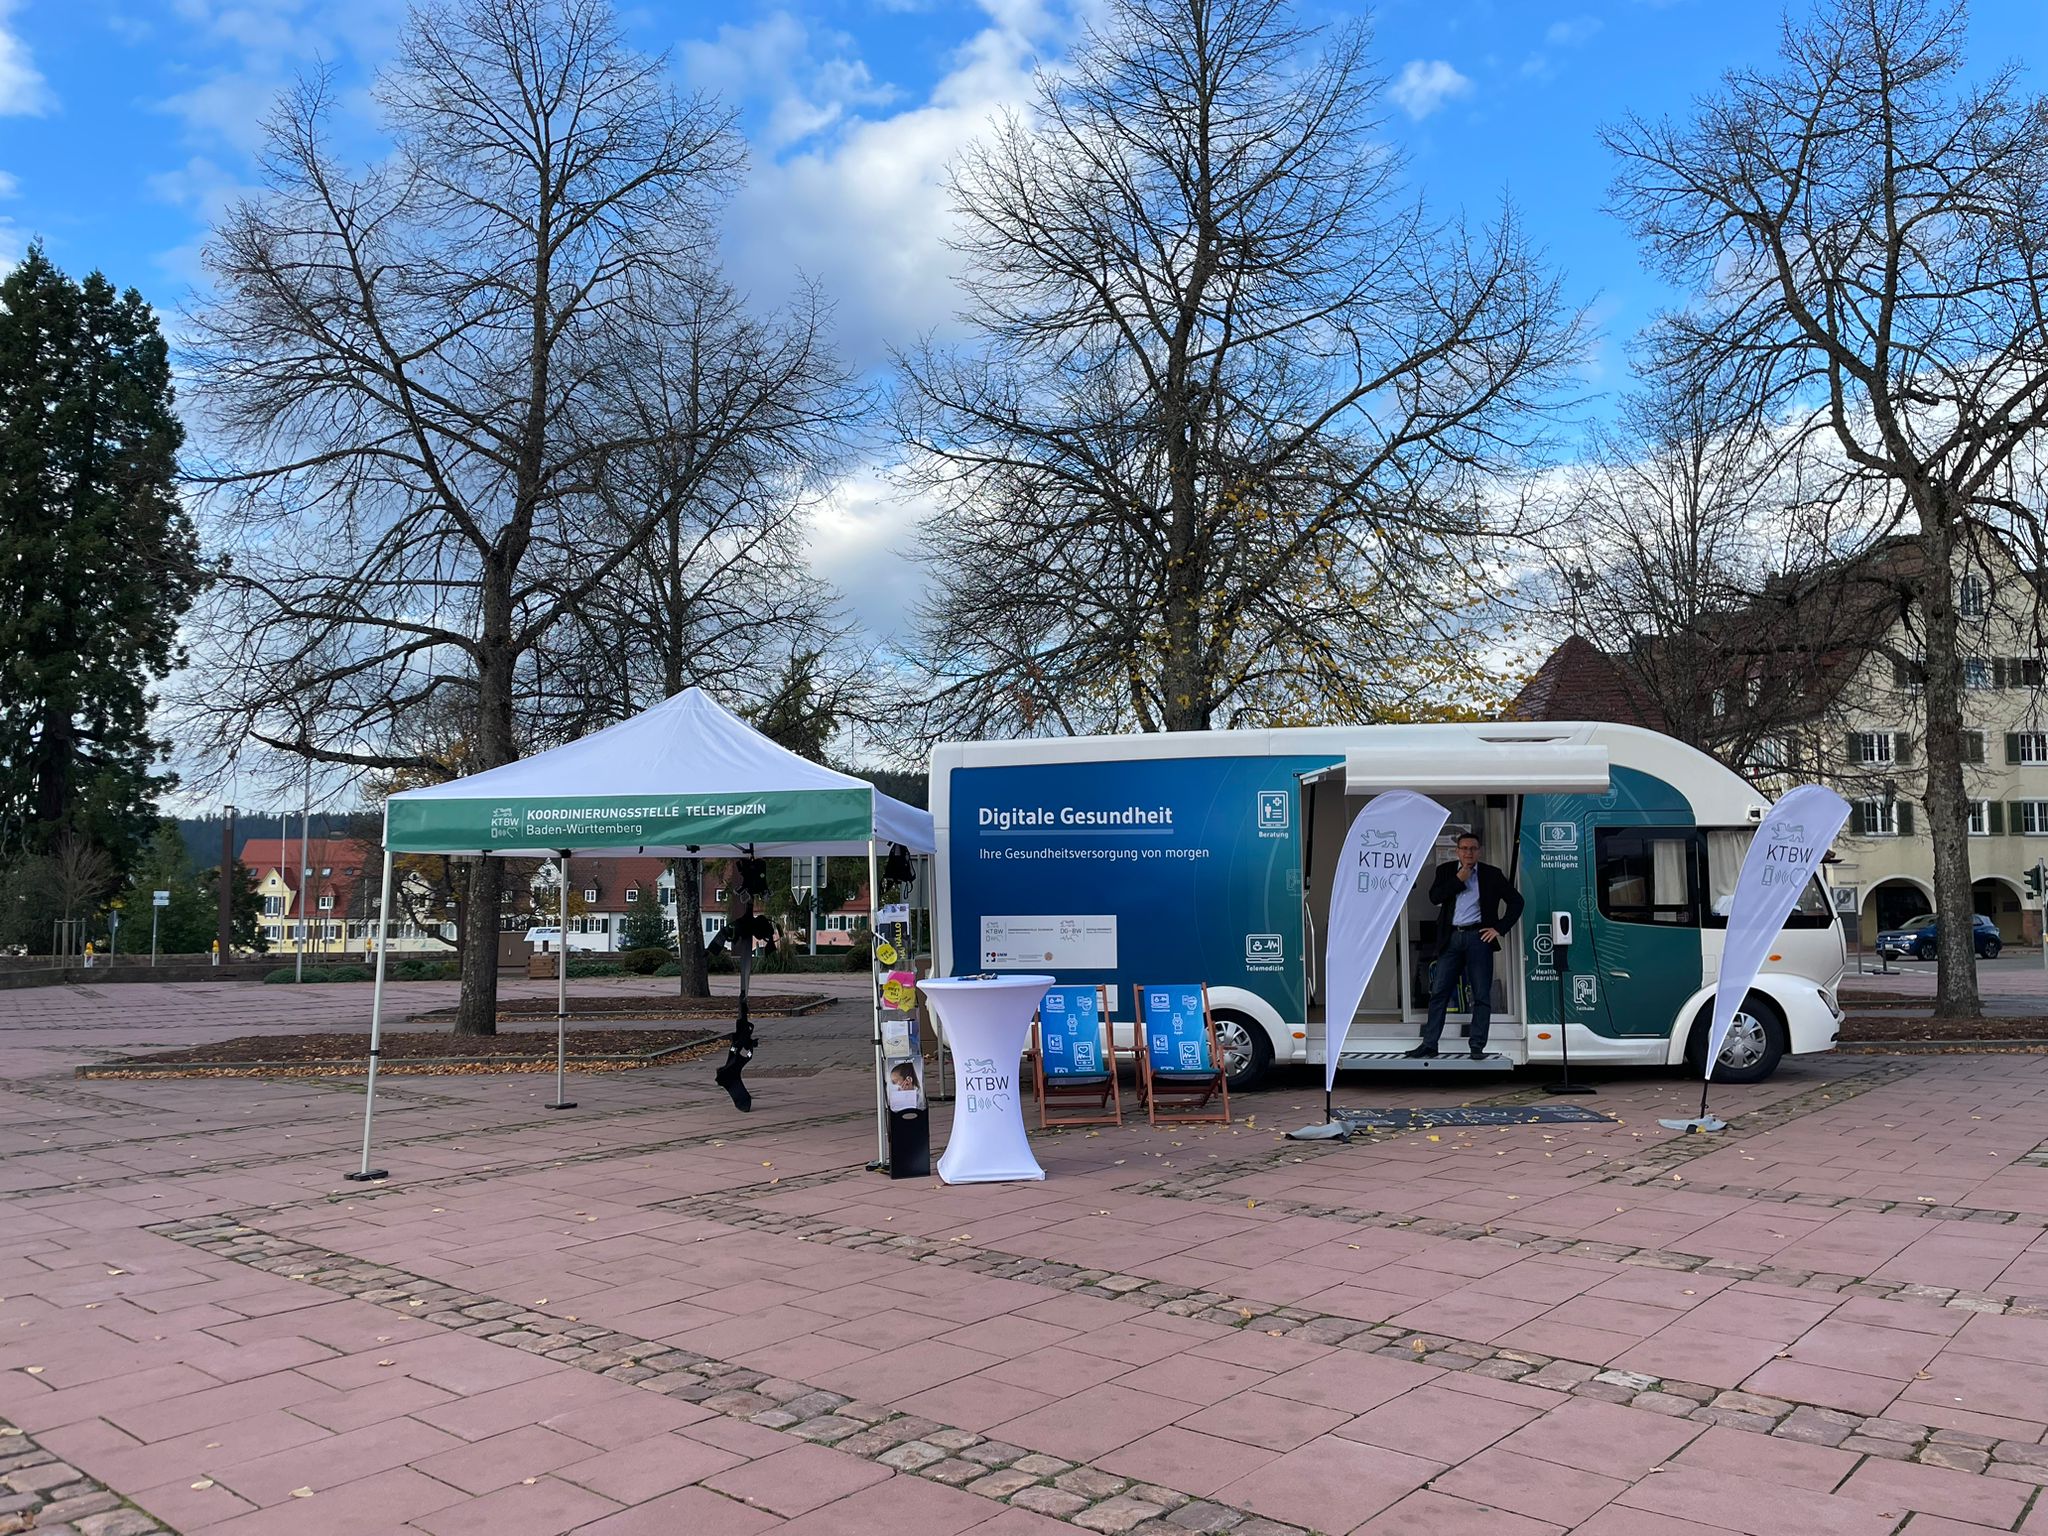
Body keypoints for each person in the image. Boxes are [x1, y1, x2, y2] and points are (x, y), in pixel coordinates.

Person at [1408, 830, 1525, 1059]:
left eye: (1473, 848)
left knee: (1481, 994)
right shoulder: (1445, 871)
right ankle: (1430, 1045)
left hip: (1478, 938)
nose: (1468, 852)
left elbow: (1516, 901)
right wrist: (1458, 879)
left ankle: (1477, 1046)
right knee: (1439, 991)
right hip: (1451, 937)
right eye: (1464, 849)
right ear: (1457, 851)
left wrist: (1499, 929)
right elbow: (1435, 897)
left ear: (1478, 851)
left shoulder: (1492, 874)